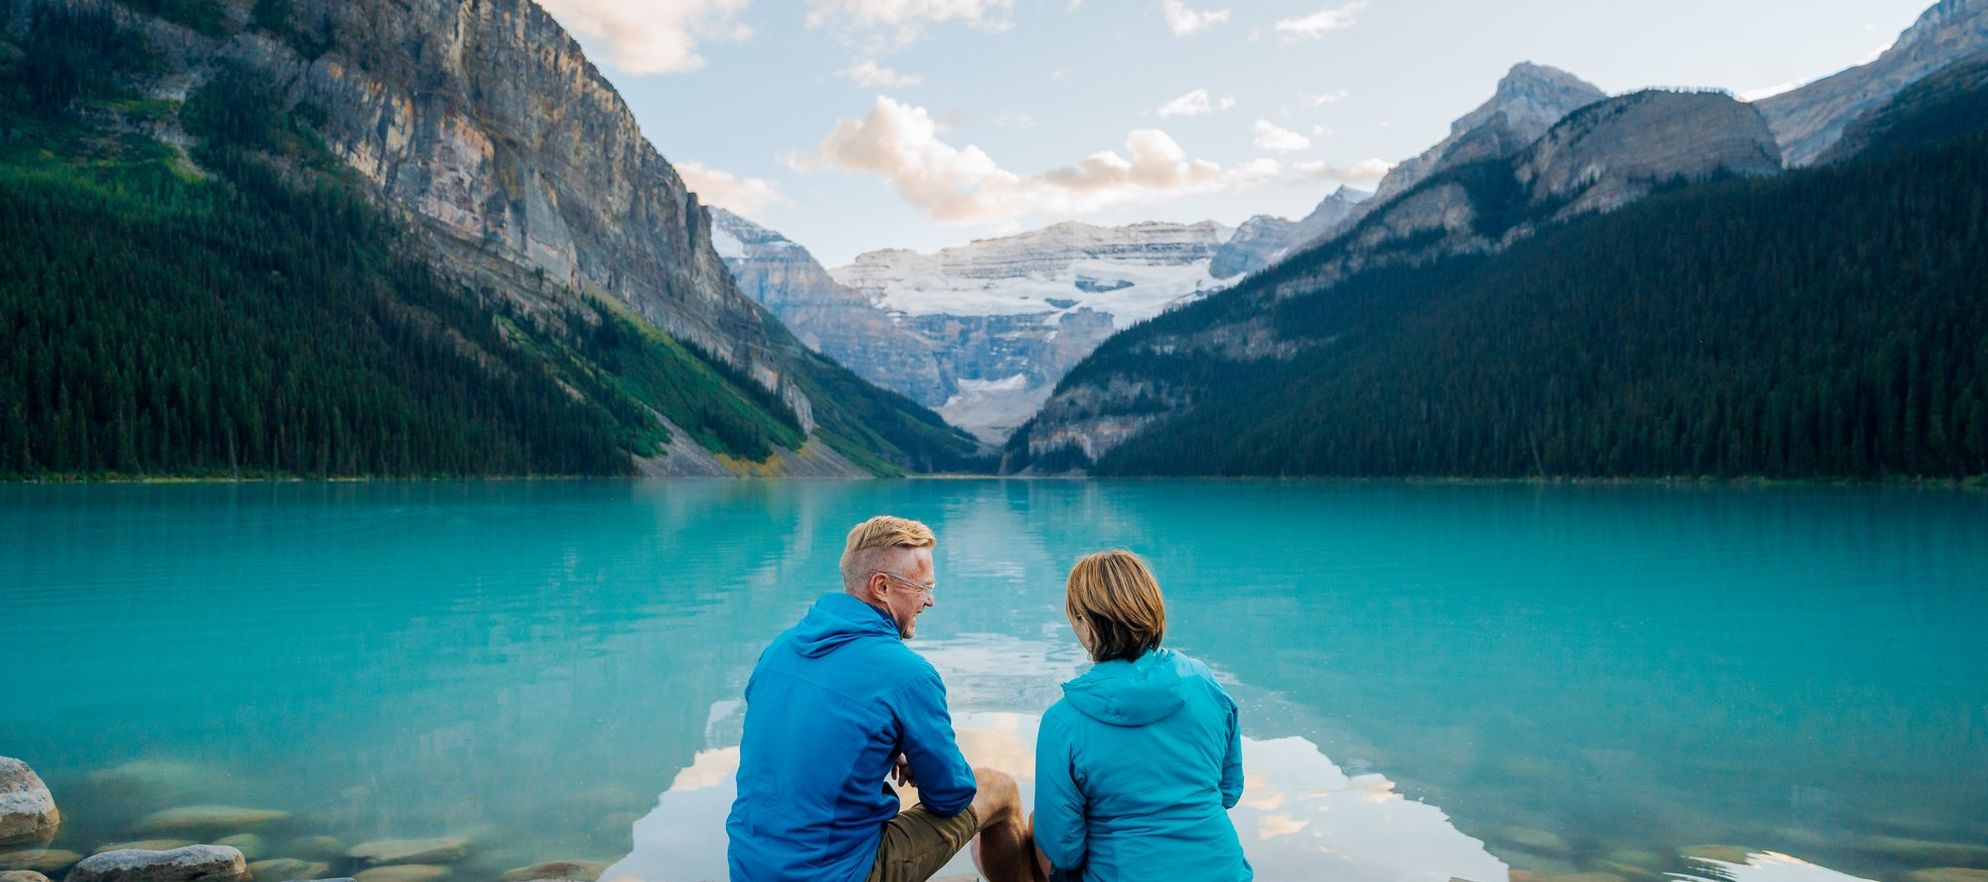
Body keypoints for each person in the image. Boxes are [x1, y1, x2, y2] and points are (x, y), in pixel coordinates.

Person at [727, 515, 1040, 882]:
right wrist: (920, 766)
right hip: (838, 874)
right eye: (924, 586)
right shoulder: (907, 675)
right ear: (882, 587)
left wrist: (890, 747)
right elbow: (951, 796)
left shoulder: (778, 651)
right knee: (998, 788)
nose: (931, 600)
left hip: (750, 866)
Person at [1033, 550, 1252, 881]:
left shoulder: (1063, 721)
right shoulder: (1204, 682)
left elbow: (1065, 849)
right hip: (1225, 871)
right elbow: (1229, 791)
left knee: (1039, 825)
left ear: (1085, 623)